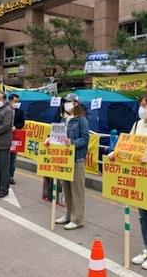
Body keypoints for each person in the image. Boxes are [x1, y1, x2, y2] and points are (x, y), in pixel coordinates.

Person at [110, 92, 147, 270]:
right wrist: (115, 154)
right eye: (141, 105)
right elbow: (127, 147)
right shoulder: (137, 125)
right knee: (144, 218)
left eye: (145, 105)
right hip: (140, 179)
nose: (141, 109)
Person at [55, 93, 90, 230]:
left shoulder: (82, 121)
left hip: (77, 159)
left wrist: (72, 143)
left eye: (68, 102)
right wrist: (50, 140)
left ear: (75, 103)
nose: (65, 104)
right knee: (67, 189)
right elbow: (58, 136)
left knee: (77, 190)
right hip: (65, 159)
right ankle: (68, 215)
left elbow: (85, 139)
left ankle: (78, 219)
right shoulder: (65, 120)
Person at [8, 93, 25, 185]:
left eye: (18, 101)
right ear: (10, 101)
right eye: (15, 101)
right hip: (4, 137)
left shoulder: (20, 112)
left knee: (13, 158)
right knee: (3, 158)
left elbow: (22, 123)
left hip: (15, 137)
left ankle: (10, 176)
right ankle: (2, 176)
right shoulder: (5, 110)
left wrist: (15, 127)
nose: (17, 103)